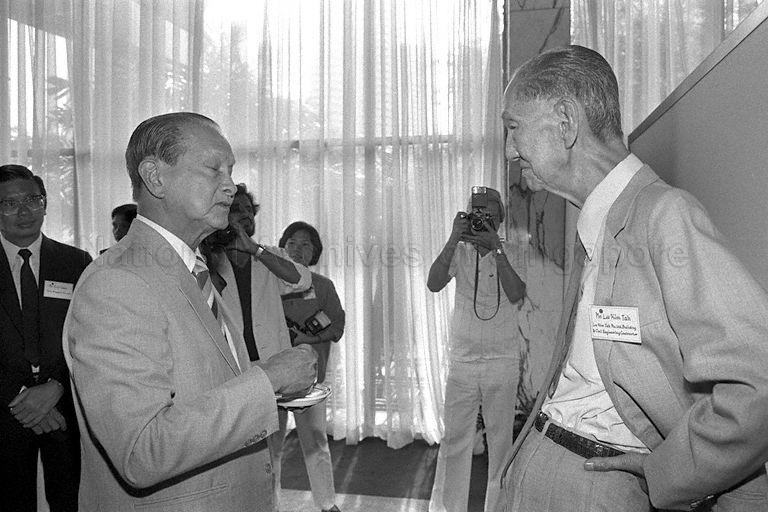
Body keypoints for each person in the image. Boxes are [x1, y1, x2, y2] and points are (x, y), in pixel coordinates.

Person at [499, 45, 768, 511]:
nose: (508, 150)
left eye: (513, 128)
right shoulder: (598, 223)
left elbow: (756, 384)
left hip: (592, 488)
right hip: (543, 468)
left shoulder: (665, 216)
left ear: (565, 121)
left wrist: (671, 473)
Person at [63, 112, 318, 512]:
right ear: (155, 177)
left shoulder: (197, 268)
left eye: (231, 170)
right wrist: (268, 381)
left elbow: (205, 384)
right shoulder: (117, 283)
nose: (231, 186)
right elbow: (142, 450)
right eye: (213, 168)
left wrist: (279, 378)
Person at [206, 184, 313, 507]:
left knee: (271, 453)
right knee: (232, 453)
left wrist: (254, 250)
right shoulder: (209, 258)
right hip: (230, 371)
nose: (244, 218)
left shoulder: (270, 255)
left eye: (249, 213)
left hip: (271, 371)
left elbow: (301, 280)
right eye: (236, 211)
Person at [426, 187, 526, 512]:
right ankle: (447, 508)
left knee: (500, 443)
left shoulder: (512, 250)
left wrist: (496, 249)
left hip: (502, 361)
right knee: (455, 440)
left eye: (488, 215)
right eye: (476, 213)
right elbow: (433, 282)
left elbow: (516, 293)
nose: (482, 219)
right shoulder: (459, 251)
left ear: (499, 219)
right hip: (463, 361)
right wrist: (454, 238)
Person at [0, 164, 92, 512]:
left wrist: (56, 386)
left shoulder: (76, 261)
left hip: (64, 408)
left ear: (45, 203)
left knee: (71, 501)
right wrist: (23, 400)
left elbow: (87, 337)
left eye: (32, 200)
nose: (23, 212)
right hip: (6, 410)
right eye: (9, 204)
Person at [277, 221, 345, 512]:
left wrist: (308, 337)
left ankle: (327, 504)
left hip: (309, 381)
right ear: (283, 245)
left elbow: (337, 327)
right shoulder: (270, 280)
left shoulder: (323, 286)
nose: (297, 249)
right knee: (270, 447)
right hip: (274, 379)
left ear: (314, 252)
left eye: (306, 244)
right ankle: (269, 504)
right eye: (292, 242)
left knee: (316, 445)